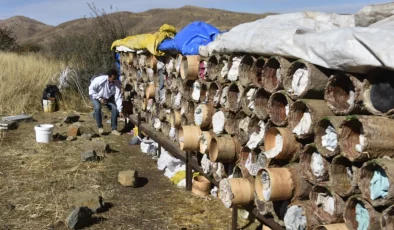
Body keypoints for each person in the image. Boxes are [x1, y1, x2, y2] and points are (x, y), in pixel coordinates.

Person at [89, 69, 124, 135]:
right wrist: (99, 98)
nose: (114, 80)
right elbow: (91, 90)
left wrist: (120, 110)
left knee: (114, 108)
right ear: (109, 77)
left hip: (107, 97)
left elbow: (118, 97)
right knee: (97, 107)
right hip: (95, 95)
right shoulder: (99, 80)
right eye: (113, 79)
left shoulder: (116, 83)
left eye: (115, 79)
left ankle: (114, 129)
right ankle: (100, 127)